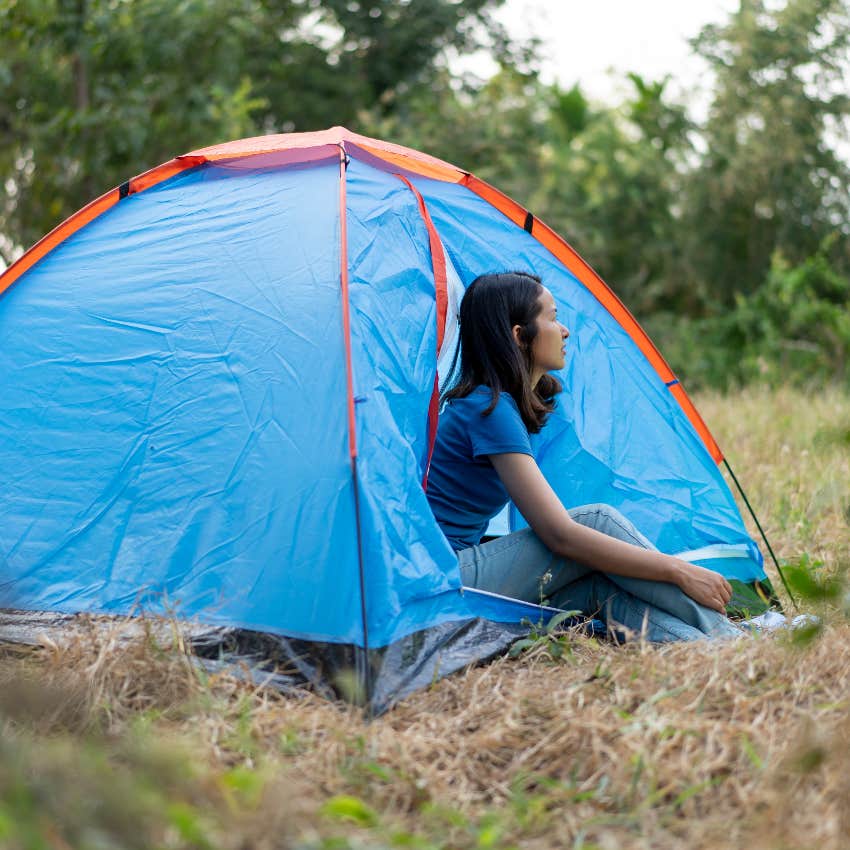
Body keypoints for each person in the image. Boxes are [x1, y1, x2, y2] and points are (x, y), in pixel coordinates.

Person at [426, 271, 741, 641]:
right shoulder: (489, 409)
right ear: (519, 335)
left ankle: (722, 646)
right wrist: (677, 570)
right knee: (596, 520)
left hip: (449, 575)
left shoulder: (497, 405)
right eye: (552, 317)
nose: (564, 331)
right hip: (442, 580)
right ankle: (730, 633)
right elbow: (559, 535)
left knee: (597, 588)